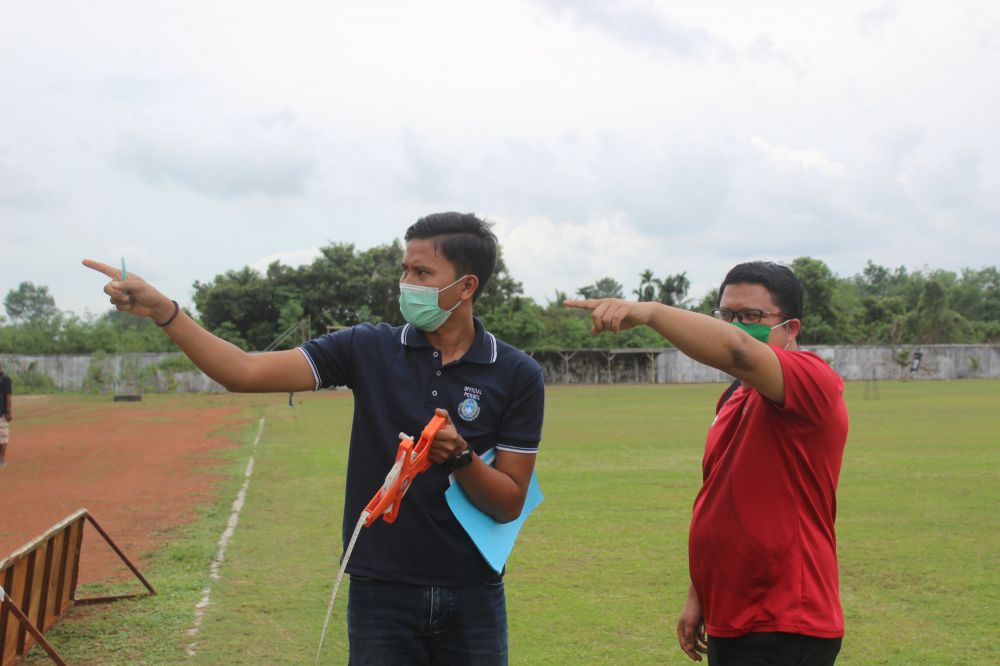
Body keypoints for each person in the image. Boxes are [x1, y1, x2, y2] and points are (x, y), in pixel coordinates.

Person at [84, 212, 544, 665]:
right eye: (404, 269)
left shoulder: (517, 373)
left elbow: (508, 503)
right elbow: (241, 371)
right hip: (380, 589)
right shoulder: (367, 347)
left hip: (475, 594)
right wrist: (165, 312)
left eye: (422, 272)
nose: (406, 282)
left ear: (466, 286)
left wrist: (461, 456)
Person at [566, 261, 847, 666]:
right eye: (727, 315)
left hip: (785, 619)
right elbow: (720, 495)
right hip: (731, 612)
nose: (735, 325)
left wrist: (651, 311)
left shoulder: (813, 381)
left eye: (751, 316)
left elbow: (738, 350)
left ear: (792, 328)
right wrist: (697, 594)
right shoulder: (735, 396)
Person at [0, 362, 11, 467]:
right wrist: (8, 411)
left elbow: (8, 396)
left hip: (1, 412)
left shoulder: (5, 380)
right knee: (3, 436)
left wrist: (7, 411)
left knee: (2, 436)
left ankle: (1, 459)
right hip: (1, 413)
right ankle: (1, 460)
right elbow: (8, 396)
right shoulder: (6, 380)